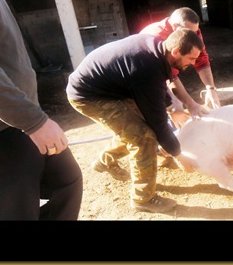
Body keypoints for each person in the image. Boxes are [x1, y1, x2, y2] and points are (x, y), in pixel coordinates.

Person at [66, 27, 204, 213]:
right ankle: (143, 198)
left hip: (111, 88)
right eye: (191, 59)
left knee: (134, 129)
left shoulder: (156, 48)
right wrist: (178, 155)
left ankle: (105, 161)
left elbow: (158, 89)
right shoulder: (147, 69)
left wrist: (172, 108)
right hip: (88, 96)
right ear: (176, 51)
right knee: (143, 137)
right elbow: (158, 123)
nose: (193, 63)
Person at [0, 0, 83, 220]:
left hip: (22, 117)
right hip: (0, 129)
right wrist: (33, 121)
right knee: (20, 211)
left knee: (68, 181)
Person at [140, 7, 220, 119]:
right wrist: (190, 104)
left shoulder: (191, 31)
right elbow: (169, 76)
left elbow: (201, 59)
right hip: (146, 75)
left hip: (163, 71)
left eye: (195, 32)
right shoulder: (157, 37)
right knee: (172, 108)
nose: (194, 36)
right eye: (190, 33)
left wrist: (210, 88)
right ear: (174, 26)